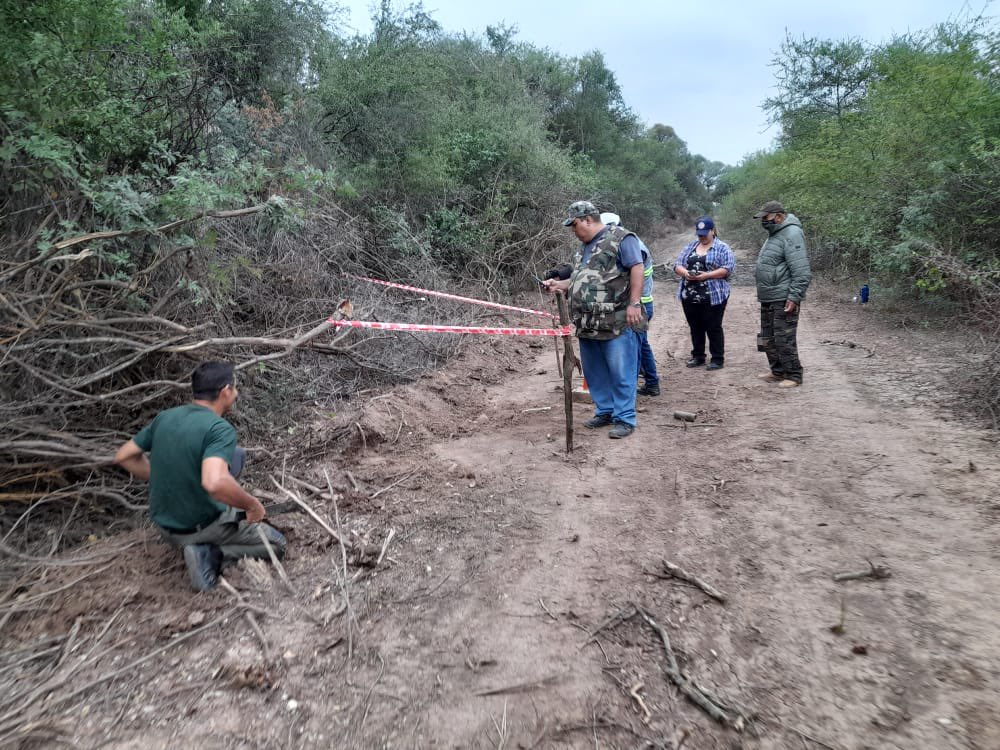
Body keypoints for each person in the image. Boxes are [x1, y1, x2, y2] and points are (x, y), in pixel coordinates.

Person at [114, 361, 286, 591]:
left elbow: (124, 456)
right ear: (225, 391)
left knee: (235, 456)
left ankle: (198, 543)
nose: (236, 393)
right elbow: (214, 482)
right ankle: (211, 554)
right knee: (277, 544)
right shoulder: (218, 428)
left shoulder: (165, 417)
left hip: (167, 529)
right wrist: (252, 505)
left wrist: (166, 476)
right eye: (234, 388)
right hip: (199, 527)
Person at [543, 201, 647, 438]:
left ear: (588, 219)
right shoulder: (583, 248)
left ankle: (624, 418)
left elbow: (637, 267)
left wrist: (634, 303)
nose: (573, 230)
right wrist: (560, 285)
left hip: (617, 320)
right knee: (594, 372)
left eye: (575, 224)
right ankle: (605, 411)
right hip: (587, 323)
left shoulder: (622, 238)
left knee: (621, 371)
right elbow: (582, 278)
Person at [752, 200, 812, 387]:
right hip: (769, 295)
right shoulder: (774, 234)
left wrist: (794, 296)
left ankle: (794, 375)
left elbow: (801, 270)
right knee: (768, 337)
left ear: (779, 216)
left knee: (784, 337)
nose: (763, 221)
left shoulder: (792, 233)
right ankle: (777, 371)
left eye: (766, 217)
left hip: (783, 296)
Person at [601, 212, 660, 396]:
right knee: (641, 345)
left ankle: (632, 391)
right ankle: (651, 383)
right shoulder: (620, 245)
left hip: (639, 304)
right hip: (637, 304)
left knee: (634, 348)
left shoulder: (633, 246)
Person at [673, 216, 736, 370]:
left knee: (713, 326)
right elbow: (677, 265)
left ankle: (717, 358)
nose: (702, 237)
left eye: (705, 234)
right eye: (699, 234)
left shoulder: (722, 247)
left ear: (713, 231)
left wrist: (707, 275)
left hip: (713, 295)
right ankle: (698, 356)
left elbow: (727, 269)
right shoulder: (690, 247)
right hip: (690, 294)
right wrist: (686, 273)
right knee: (695, 326)